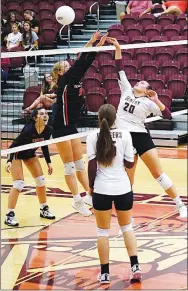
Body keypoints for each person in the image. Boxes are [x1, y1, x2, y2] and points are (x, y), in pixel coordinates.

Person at [106, 37, 187, 219]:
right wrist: (118, 47)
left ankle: (180, 204)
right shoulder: (126, 90)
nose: (139, 82)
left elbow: (167, 115)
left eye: (143, 83)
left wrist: (156, 100)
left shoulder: (148, 102)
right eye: (139, 82)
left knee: (157, 173)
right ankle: (125, 214)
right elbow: (119, 67)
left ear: (147, 89)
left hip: (140, 136)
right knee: (128, 178)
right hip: (123, 137)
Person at [52, 31, 108, 217]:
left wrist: (93, 42)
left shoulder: (73, 78)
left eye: (69, 66)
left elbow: (81, 61)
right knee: (69, 166)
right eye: (66, 67)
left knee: (80, 164)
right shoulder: (65, 81)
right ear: (60, 73)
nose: (70, 67)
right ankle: (77, 200)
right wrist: (96, 46)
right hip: (60, 128)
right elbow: (84, 62)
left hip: (72, 127)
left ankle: (90, 196)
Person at [86, 104, 142, 284]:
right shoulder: (125, 134)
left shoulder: (91, 137)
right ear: (115, 118)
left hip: (102, 189)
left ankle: (104, 274)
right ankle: (135, 267)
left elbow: (92, 166)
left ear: (99, 118)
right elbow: (129, 164)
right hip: (123, 189)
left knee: (102, 231)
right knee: (127, 228)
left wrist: (91, 188)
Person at [5, 108, 55, 227]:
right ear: (35, 117)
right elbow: (13, 146)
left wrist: (48, 162)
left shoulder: (48, 130)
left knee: (41, 180)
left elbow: (44, 145)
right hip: (17, 153)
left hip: (29, 154)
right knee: (18, 183)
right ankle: (9, 215)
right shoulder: (28, 130)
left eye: (46, 113)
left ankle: (44, 209)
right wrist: (9, 161)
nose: (45, 115)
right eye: (41, 114)